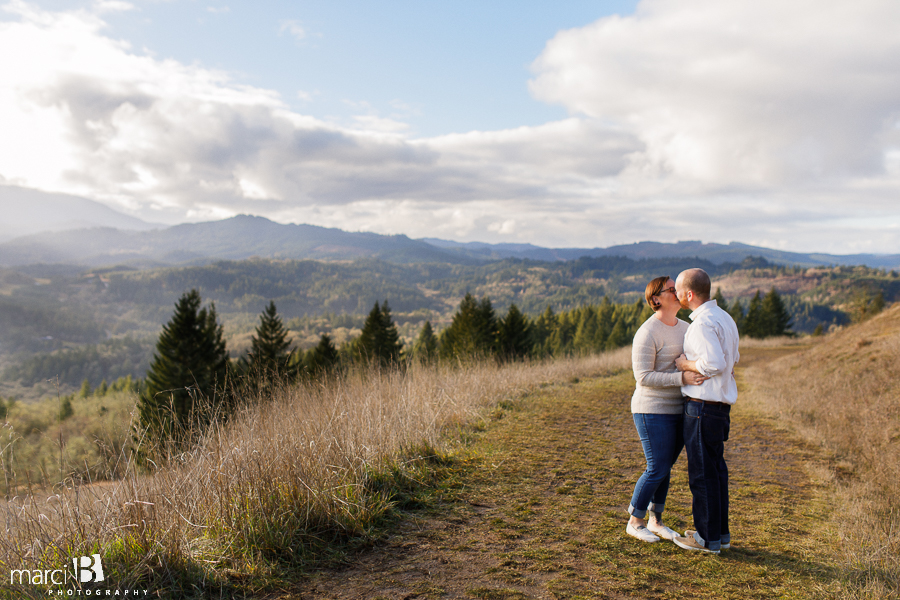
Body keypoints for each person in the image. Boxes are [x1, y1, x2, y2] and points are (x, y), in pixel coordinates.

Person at [626, 276, 708, 543]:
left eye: (677, 288)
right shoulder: (647, 332)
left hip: (678, 409)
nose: (677, 292)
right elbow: (643, 377)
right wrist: (681, 378)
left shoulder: (686, 328)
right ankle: (635, 521)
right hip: (650, 409)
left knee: (666, 468)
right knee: (657, 467)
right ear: (656, 300)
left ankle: (656, 521)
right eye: (671, 290)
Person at [672, 268, 740, 554]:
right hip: (719, 408)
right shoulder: (724, 318)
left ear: (689, 294)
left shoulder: (700, 325)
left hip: (701, 408)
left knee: (702, 475)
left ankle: (705, 539)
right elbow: (732, 357)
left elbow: (715, 364)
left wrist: (684, 365)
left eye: (678, 291)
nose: (675, 296)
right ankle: (718, 534)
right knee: (716, 472)